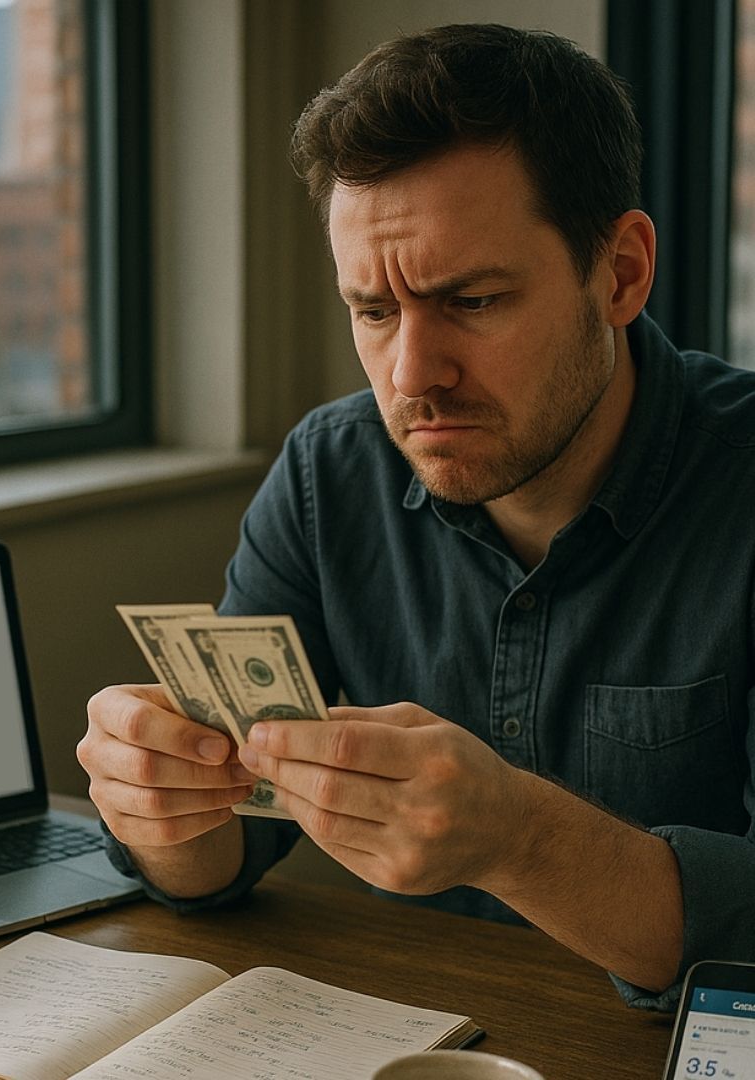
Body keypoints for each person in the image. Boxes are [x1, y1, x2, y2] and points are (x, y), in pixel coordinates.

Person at [76, 23, 755, 1012]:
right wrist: (162, 809)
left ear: (620, 273)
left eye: (472, 300)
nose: (411, 377)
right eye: (374, 311)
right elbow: (223, 857)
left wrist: (522, 839)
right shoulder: (328, 474)